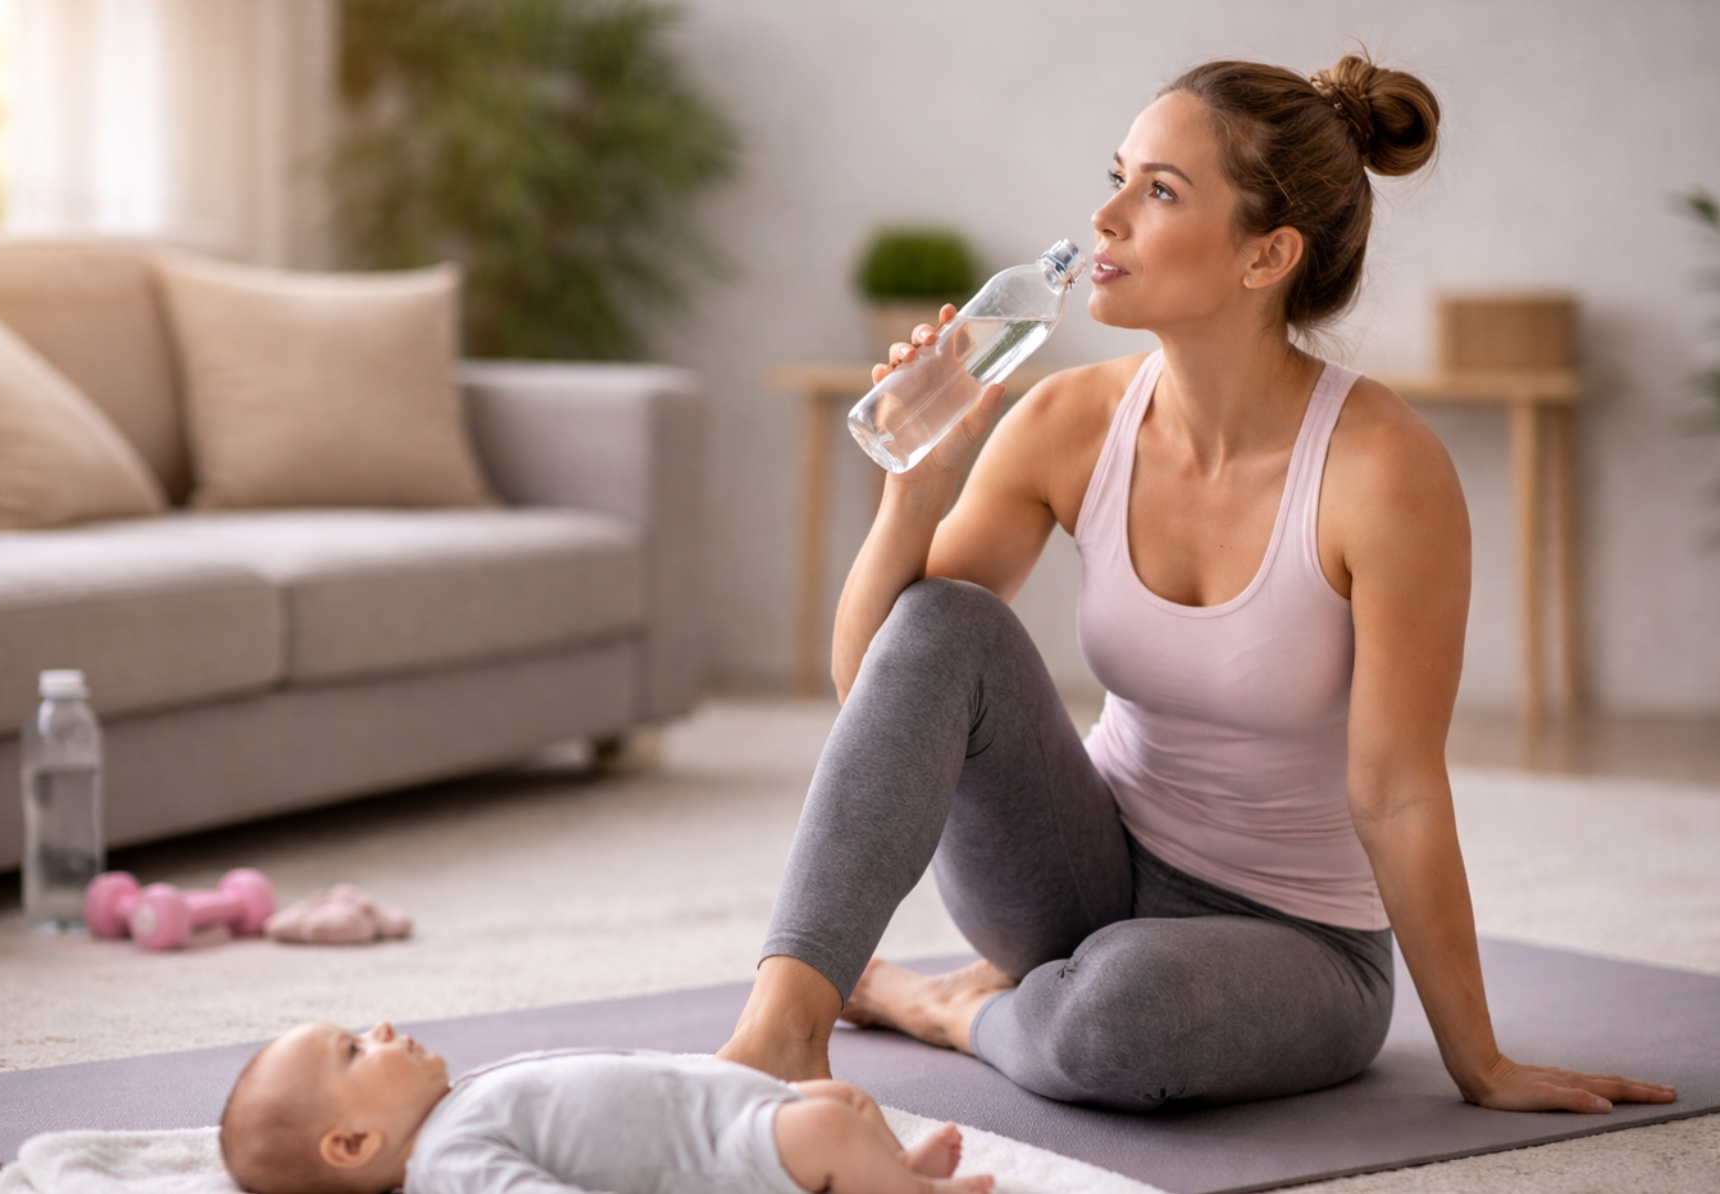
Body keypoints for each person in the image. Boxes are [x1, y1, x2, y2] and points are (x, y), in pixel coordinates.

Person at [715, 55, 1678, 1116]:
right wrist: (914, 488)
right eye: (1118, 174)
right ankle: (780, 1035)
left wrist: (1479, 1061)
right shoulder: (1066, 422)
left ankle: (943, 1010)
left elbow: (1396, 789)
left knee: (1117, 1021)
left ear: (1268, 255)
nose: (1106, 216)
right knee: (943, 616)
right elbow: (884, 689)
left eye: (1159, 191)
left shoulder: (1383, 473)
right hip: (1076, 875)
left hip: (1296, 941)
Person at [217, 1020, 991, 1194]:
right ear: (352, 1144)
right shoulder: (446, 1161)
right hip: (723, 1157)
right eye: (354, 1050)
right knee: (824, 1125)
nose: (379, 1029)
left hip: (732, 1108)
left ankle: (889, 1173)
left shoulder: (455, 1104)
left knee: (840, 1100)